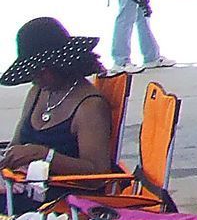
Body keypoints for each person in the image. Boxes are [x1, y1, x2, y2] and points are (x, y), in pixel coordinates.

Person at [1, 17, 115, 198]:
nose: (35, 76)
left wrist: (45, 156)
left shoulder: (90, 106)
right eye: (32, 70)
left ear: (61, 64)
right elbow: (16, 144)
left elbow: (98, 175)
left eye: (41, 70)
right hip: (26, 188)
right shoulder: (37, 92)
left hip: (65, 200)